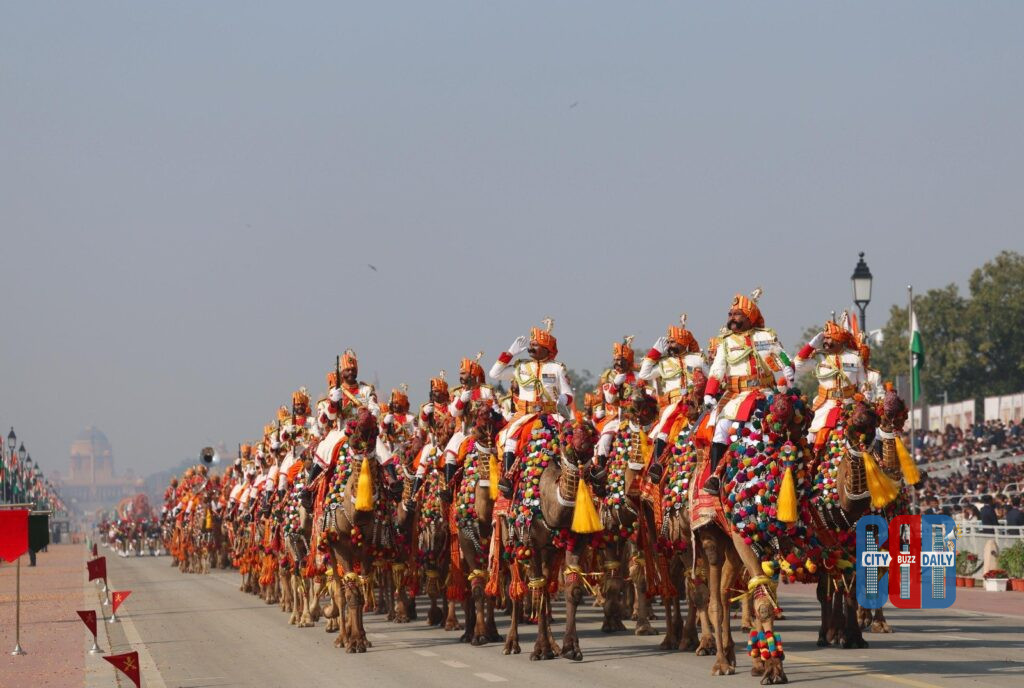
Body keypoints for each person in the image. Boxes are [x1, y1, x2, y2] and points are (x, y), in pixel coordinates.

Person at [702, 288, 794, 494]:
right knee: (722, 429)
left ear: (749, 316)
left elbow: (782, 358)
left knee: (780, 425)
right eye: (730, 314)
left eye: (736, 314)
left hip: (764, 393)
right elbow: (717, 371)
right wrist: (709, 393)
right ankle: (715, 478)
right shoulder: (725, 342)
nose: (731, 318)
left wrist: (788, 368)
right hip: (736, 397)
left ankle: (792, 471)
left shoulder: (766, 336)